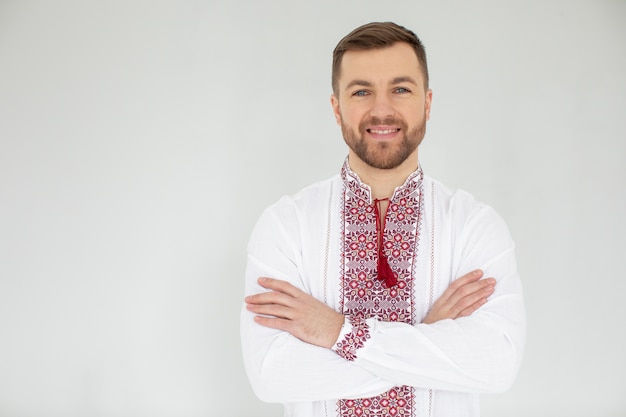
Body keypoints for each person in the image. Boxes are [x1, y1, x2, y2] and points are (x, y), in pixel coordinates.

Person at [241, 21, 525, 417]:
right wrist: (425, 338)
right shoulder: (287, 225)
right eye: (361, 91)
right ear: (336, 107)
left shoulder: (473, 226)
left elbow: (496, 364)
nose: (381, 110)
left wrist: (336, 332)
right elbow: (272, 374)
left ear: (427, 102)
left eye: (400, 89)